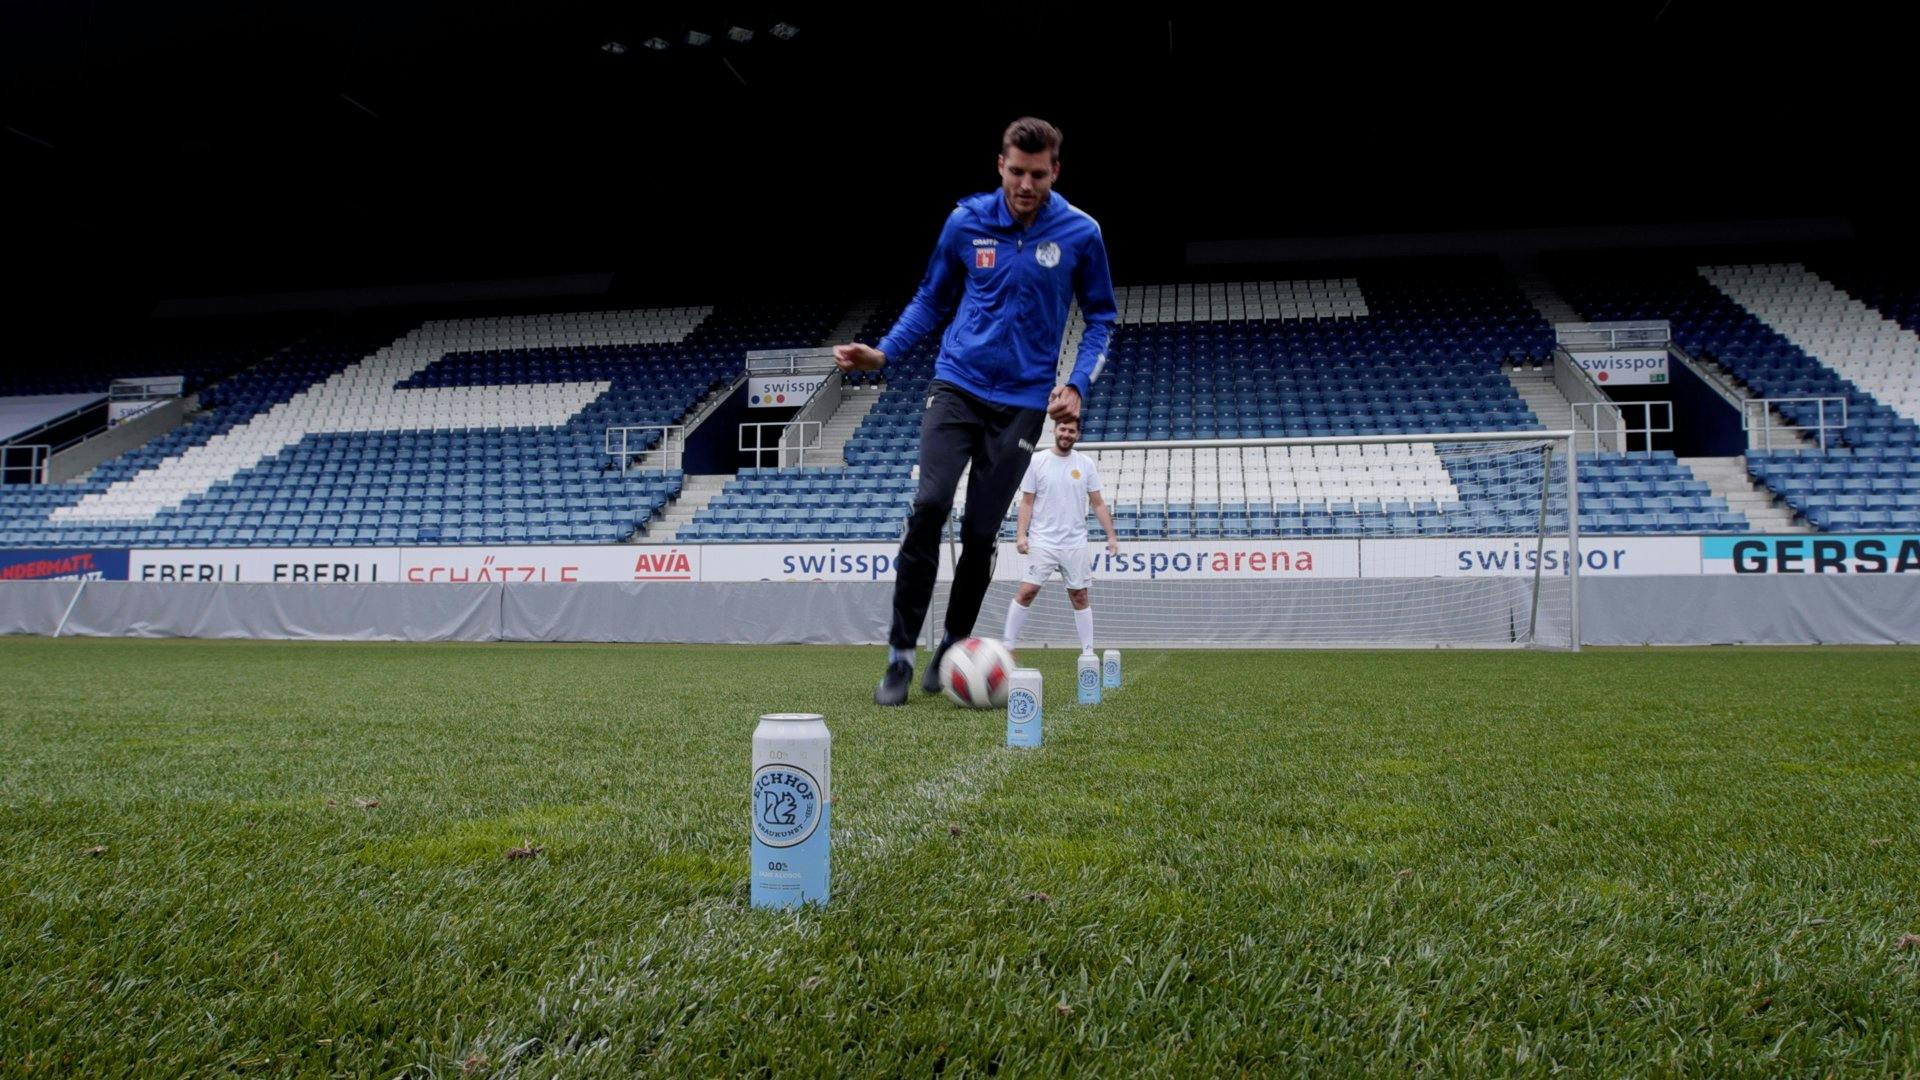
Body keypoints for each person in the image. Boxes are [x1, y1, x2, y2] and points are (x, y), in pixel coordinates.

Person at [834, 116, 1116, 705]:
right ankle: (900, 655)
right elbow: (930, 298)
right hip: (956, 385)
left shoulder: (1081, 233)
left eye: (1038, 175)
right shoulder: (966, 222)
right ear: (1000, 165)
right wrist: (883, 352)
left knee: (983, 530)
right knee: (930, 504)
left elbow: (1101, 319)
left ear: (1054, 172)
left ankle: (953, 647)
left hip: (1019, 405)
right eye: (1016, 171)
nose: (1025, 184)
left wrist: (1077, 383)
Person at [1003, 415, 1118, 656]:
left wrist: (1111, 536)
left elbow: (1097, 503)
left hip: (1074, 543)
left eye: (1071, 431)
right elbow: (1026, 502)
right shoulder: (1037, 461)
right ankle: (1008, 645)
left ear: (1078, 435)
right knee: (1027, 591)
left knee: (1079, 595)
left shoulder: (1085, 464)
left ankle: (1088, 652)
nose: (1066, 434)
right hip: (1042, 541)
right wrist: (1021, 535)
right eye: (1063, 429)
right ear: (1055, 430)